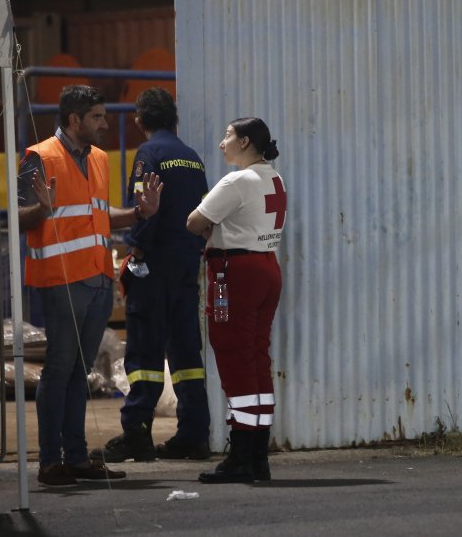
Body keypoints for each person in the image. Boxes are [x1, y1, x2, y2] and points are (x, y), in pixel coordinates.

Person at [18, 84, 162, 486]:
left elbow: (99, 215)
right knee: (60, 369)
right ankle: (51, 462)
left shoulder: (99, 158)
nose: (104, 123)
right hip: (62, 280)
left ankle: (77, 458)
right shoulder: (38, 157)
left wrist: (138, 213)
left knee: (78, 371)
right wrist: (39, 209)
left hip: (97, 279)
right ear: (73, 119)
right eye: (97, 117)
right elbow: (17, 215)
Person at [92, 88, 211, 463]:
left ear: (139, 120)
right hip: (186, 266)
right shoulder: (193, 158)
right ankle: (193, 434)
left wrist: (136, 249)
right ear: (174, 119)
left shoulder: (149, 154)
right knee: (186, 353)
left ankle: (137, 434)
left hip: (154, 265)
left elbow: (145, 208)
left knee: (144, 351)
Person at [186, 117, 286, 484]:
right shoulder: (273, 177)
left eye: (227, 136)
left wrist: (213, 226)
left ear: (245, 142)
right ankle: (257, 454)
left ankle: (242, 456)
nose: (221, 143)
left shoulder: (237, 180)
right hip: (266, 270)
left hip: (236, 274)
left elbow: (194, 222)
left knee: (233, 356)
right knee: (257, 357)